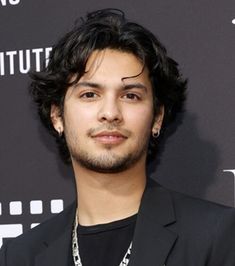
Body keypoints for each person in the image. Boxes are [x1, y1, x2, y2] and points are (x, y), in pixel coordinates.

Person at [0, 8, 235, 266]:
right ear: (57, 116)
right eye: (89, 94)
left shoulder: (218, 238)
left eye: (130, 95)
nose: (110, 113)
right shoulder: (20, 256)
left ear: (157, 118)